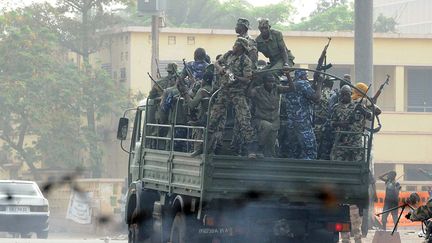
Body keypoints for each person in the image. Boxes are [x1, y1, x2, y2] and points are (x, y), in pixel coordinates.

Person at [207, 37, 257, 158]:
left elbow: (247, 79)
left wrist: (235, 77)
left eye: (235, 45)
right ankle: (204, 146)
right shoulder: (228, 55)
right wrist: (221, 70)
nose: (233, 47)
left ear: (241, 47)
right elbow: (217, 62)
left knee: (244, 120)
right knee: (213, 118)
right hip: (224, 91)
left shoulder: (245, 61)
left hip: (237, 92)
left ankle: (251, 150)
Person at [248, 72, 294, 157]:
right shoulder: (258, 90)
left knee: (271, 148)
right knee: (267, 126)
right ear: (264, 82)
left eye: (273, 81)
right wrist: (252, 81)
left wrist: (288, 74)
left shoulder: (277, 89)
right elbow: (249, 94)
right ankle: (259, 148)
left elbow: (291, 88)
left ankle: (268, 166)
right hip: (261, 120)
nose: (271, 84)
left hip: (274, 122)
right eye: (269, 82)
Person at [281, 70, 322, 159]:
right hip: (303, 123)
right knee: (310, 149)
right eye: (306, 76)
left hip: (291, 123)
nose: (307, 78)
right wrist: (319, 84)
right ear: (302, 76)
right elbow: (316, 98)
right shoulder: (302, 84)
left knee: (294, 151)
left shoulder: (289, 86)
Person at [330, 85, 370, 162]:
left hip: (355, 142)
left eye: (347, 94)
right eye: (343, 94)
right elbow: (331, 123)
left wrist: (363, 111)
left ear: (350, 94)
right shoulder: (336, 107)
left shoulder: (358, 105)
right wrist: (340, 124)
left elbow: (370, 116)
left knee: (357, 164)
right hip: (341, 142)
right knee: (337, 163)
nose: (345, 96)